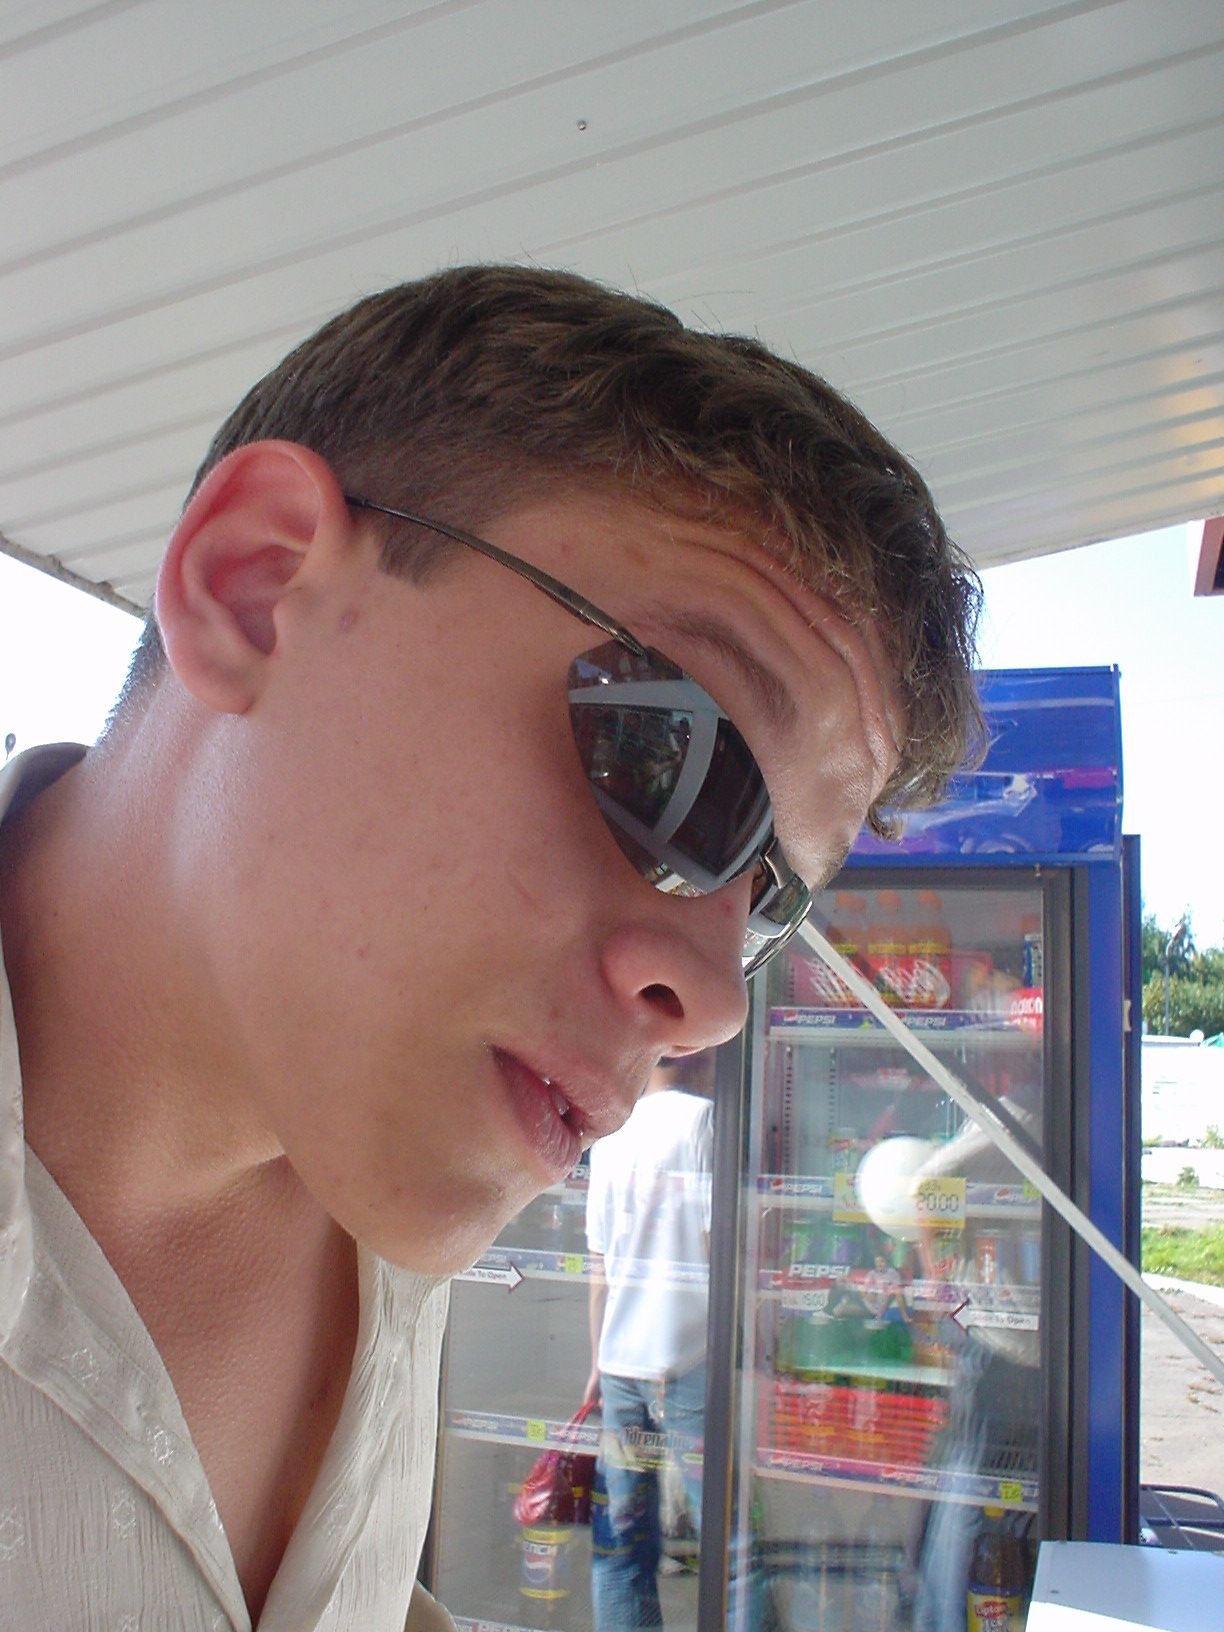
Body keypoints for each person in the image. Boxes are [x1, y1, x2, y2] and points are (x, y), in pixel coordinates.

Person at [0, 263, 983, 1629]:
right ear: (254, 586)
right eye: (676, 762)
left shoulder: (398, 1164)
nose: (712, 1000)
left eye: (772, 905)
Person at [583, 1051, 715, 1628]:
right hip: (689, 1360)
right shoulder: (702, 1122)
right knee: (730, 1540)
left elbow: (599, 1272)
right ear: (700, 1054)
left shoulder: (611, 1134)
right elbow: (715, 1244)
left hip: (621, 1369)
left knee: (621, 1546)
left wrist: (597, 1364)